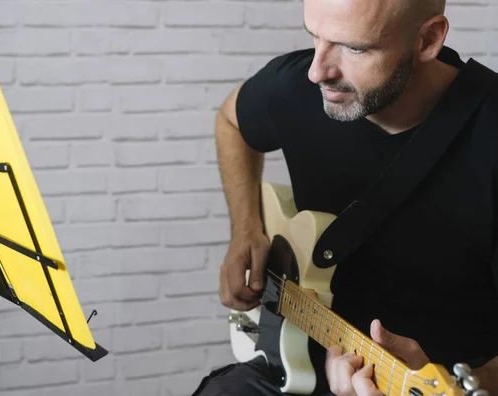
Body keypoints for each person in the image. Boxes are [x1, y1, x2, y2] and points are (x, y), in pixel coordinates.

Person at [191, 0, 498, 395]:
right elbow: (231, 121)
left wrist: (467, 381)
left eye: (355, 48)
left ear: (427, 39)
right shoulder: (295, 86)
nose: (318, 71)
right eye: (315, 37)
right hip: (294, 358)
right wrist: (246, 231)